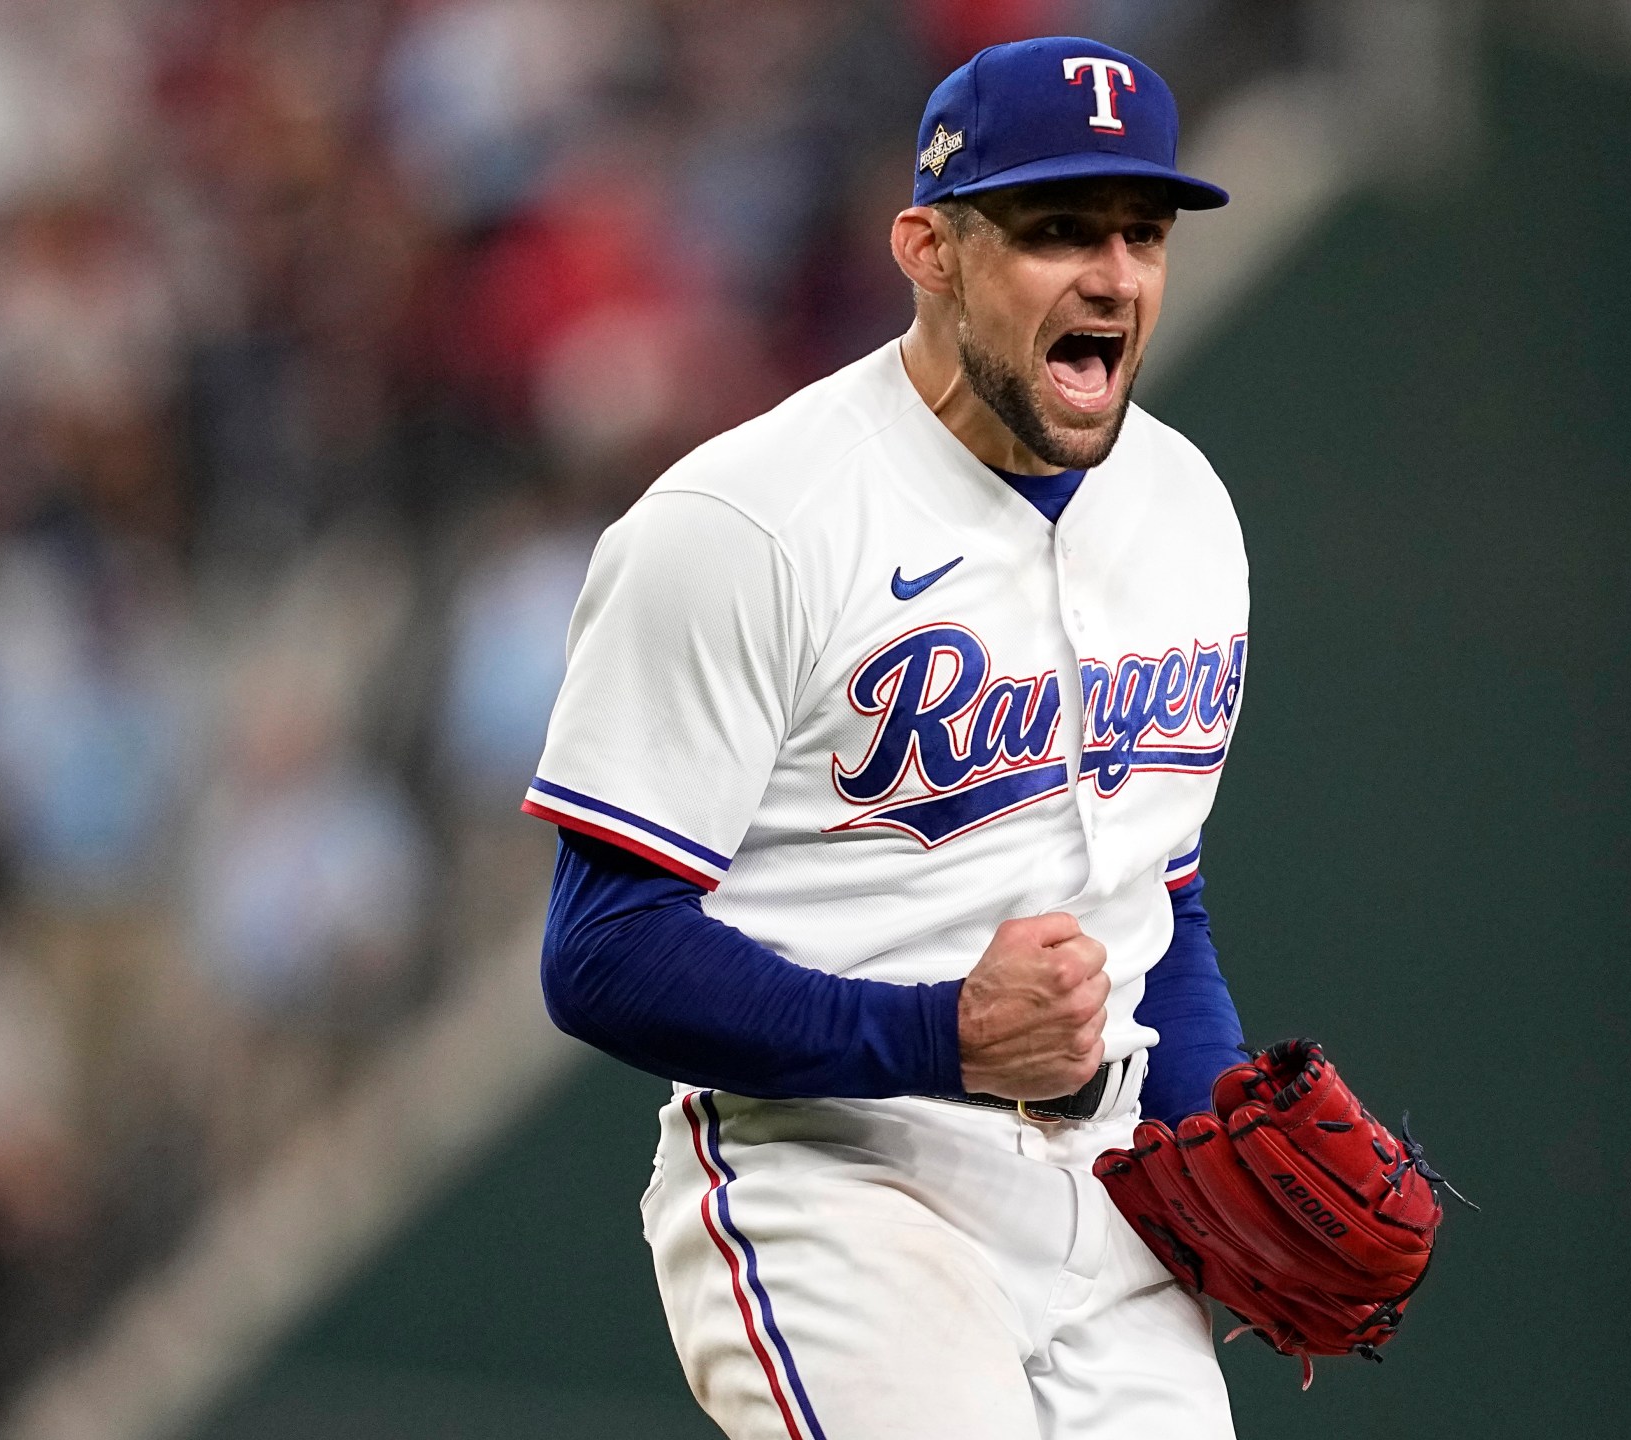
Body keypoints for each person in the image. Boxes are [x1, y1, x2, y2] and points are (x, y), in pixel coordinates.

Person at [523, 37, 1251, 1439]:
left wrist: (1212, 1132)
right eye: (1055, 230)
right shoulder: (744, 521)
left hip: (1102, 1190)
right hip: (829, 1174)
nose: (1113, 274)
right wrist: (939, 1034)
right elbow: (600, 948)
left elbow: (1161, 890)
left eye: (1142, 231)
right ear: (928, 245)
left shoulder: (1187, 508)